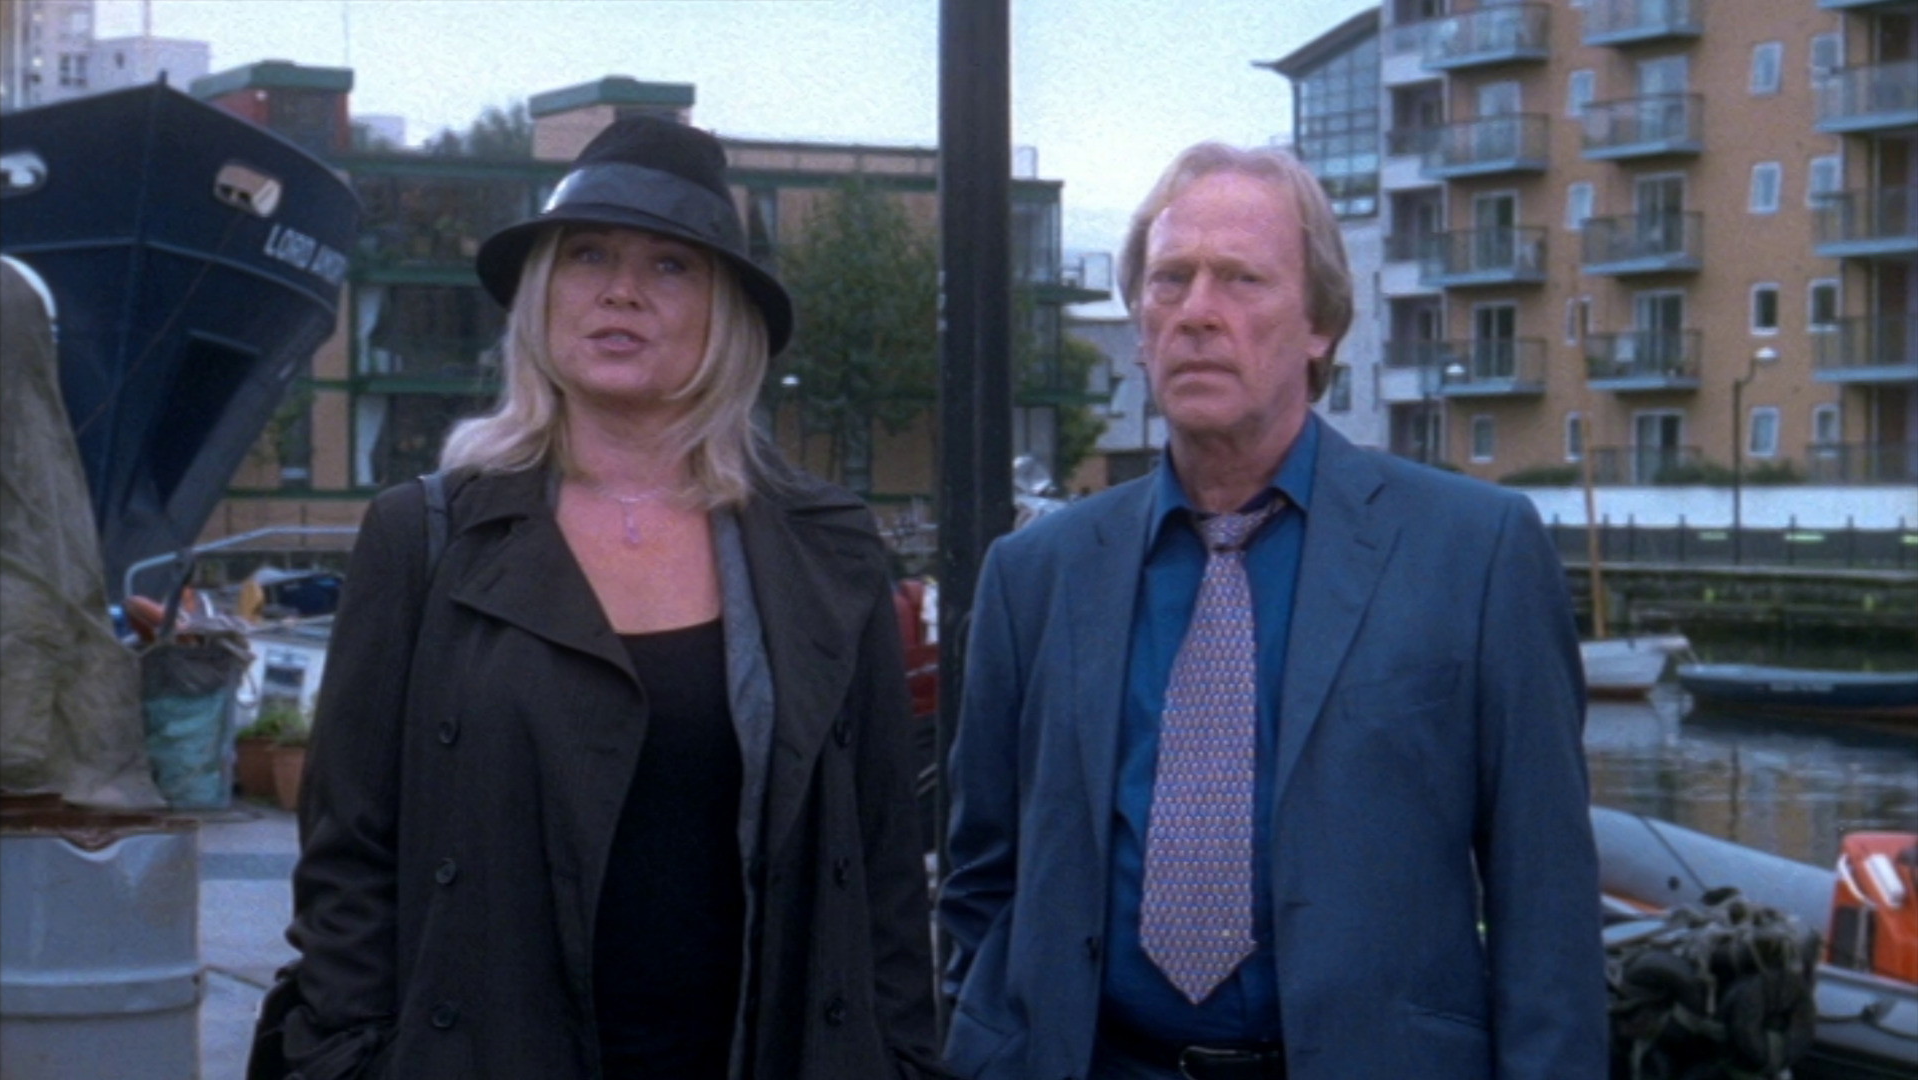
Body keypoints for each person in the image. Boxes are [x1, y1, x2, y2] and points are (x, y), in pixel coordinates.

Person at [264, 116, 945, 1080]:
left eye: (671, 265)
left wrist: (905, 1062)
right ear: (543, 294)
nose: (621, 290)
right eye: (588, 255)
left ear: (726, 314)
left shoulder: (826, 548)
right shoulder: (424, 537)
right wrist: (354, 1058)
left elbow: (881, 865)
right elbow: (348, 855)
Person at [938, 140, 1607, 1079]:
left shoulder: (1474, 552)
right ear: (1140, 326)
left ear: (1320, 325)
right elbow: (982, 875)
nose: (1197, 311)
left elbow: (1546, 905)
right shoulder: (1036, 575)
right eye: (1170, 279)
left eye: (1242, 279)